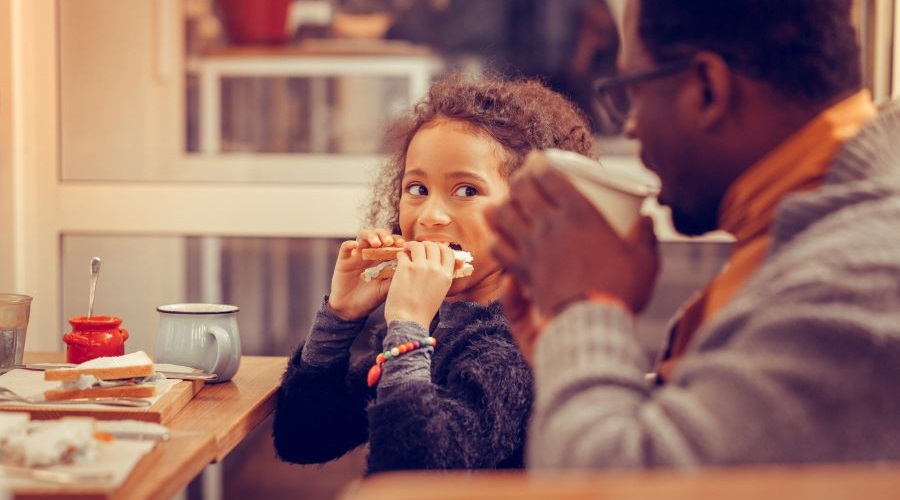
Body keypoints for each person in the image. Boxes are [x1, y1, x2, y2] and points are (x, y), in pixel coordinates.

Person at [490, 0, 900, 469]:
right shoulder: (807, 228)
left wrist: (584, 306)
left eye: (633, 93)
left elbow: (610, 485)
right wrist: (563, 351)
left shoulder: (857, 282)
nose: (631, 126)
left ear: (707, 89)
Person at [272, 75, 593, 472]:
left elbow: (413, 474)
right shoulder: (439, 324)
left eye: (467, 191)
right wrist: (340, 317)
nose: (430, 216)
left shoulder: (516, 348)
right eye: (418, 189)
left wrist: (407, 327)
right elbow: (304, 438)